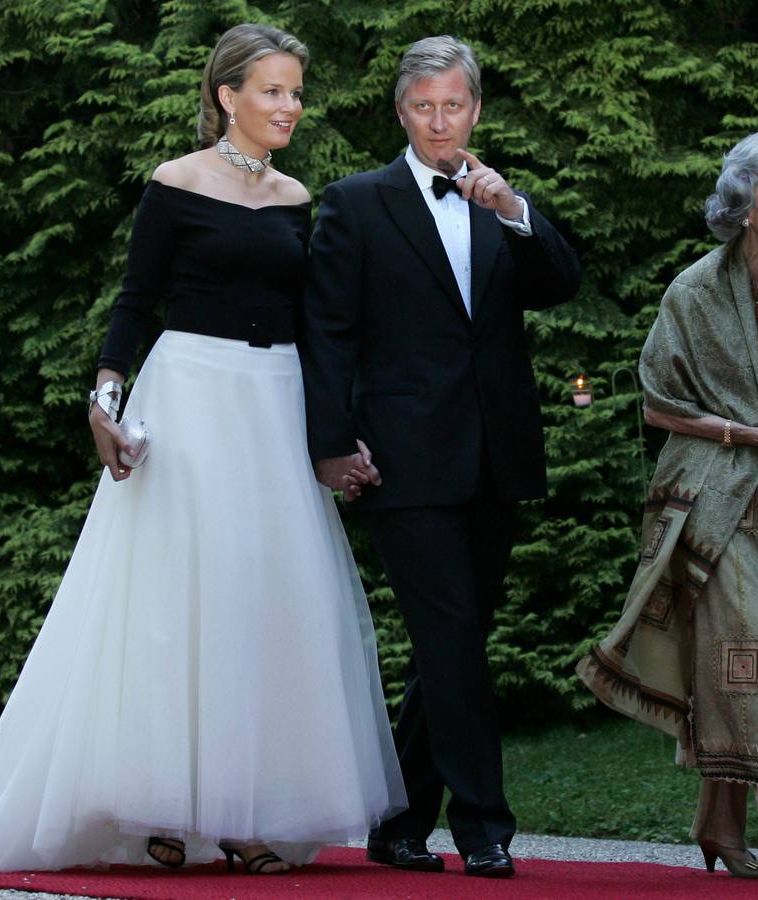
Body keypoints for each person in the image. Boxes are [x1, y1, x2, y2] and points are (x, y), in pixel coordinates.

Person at [0, 23, 406, 874]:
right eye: (272, 90)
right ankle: (158, 801)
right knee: (176, 595)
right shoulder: (175, 183)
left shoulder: (299, 197)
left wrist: (333, 436)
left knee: (265, 596)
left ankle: (247, 809)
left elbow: (318, 327)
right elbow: (134, 302)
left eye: (296, 92)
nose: (289, 106)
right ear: (227, 96)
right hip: (191, 396)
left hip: (272, 406)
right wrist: (104, 400)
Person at [300, 35, 580, 879]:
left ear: (475, 110)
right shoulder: (355, 203)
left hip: (494, 454)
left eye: (451, 105)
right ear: (399, 113)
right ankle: (484, 826)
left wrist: (511, 210)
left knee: (450, 643)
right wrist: (328, 443)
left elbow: (560, 282)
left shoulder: (498, 203)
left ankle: (396, 821)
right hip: (401, 459)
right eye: (421, 107)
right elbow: (328, 334)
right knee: (453, 636)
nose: (437, 121)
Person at [577, 131, 758, 887]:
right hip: (711, 501)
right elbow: (658, 403)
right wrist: (743, 431)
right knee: (752, 657)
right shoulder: (692, 291)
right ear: (743, 207)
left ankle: (718, 827)